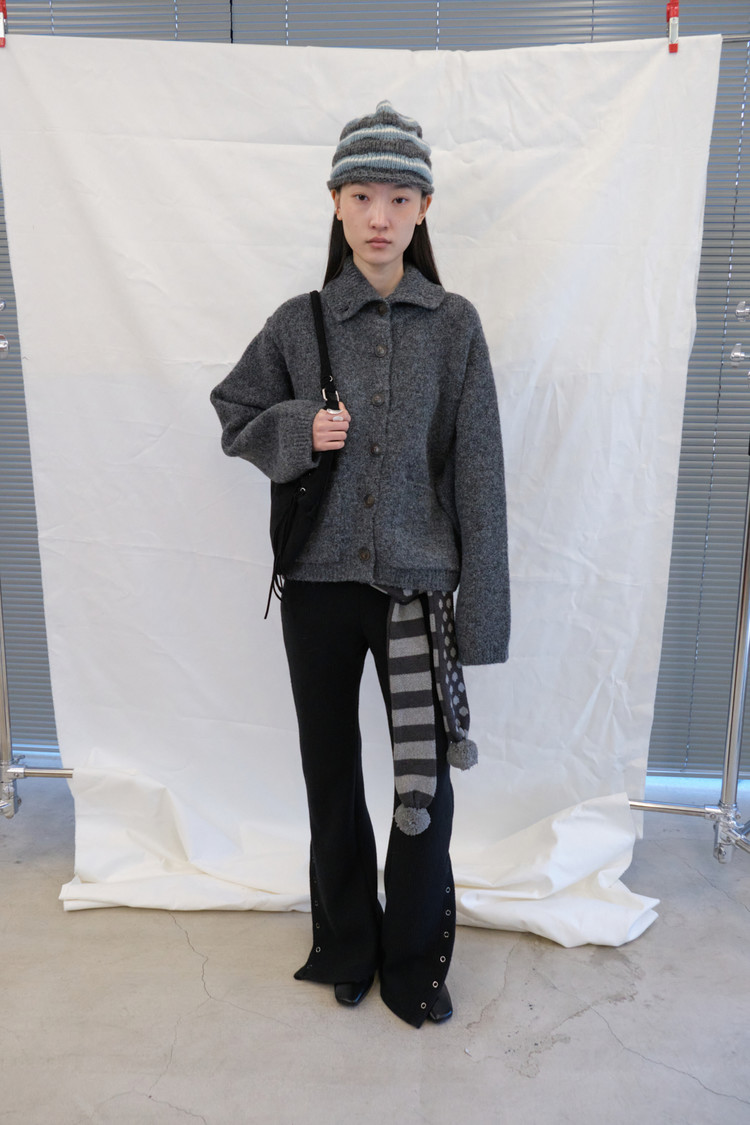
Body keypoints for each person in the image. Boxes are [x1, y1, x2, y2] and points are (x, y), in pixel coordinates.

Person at [210, 100, 510, 1028]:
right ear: (336, 203)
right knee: (330, 773)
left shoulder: (455, 326)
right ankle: (346, 944)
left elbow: (479, 476)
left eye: (399, 198)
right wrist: (301, 427)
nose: (380, 216)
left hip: (418, 591)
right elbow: (233, 414)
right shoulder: (299, 324)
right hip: (318, 589)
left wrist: (482, 614)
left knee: (424, 783)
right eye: (362, 196)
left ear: (424, 209)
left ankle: (414, 960)